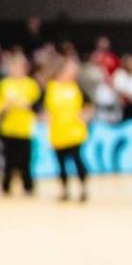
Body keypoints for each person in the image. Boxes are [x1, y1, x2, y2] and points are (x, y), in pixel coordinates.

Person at [46, 58, 91, 202]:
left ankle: (83, 189)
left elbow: (89, 104)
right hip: (58, 131)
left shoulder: (77, 87)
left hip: (74, 131)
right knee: (60, 163)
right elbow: (45, 108)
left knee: (77, 160)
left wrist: (85, 116)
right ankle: (64, 190)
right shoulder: (52, 87)